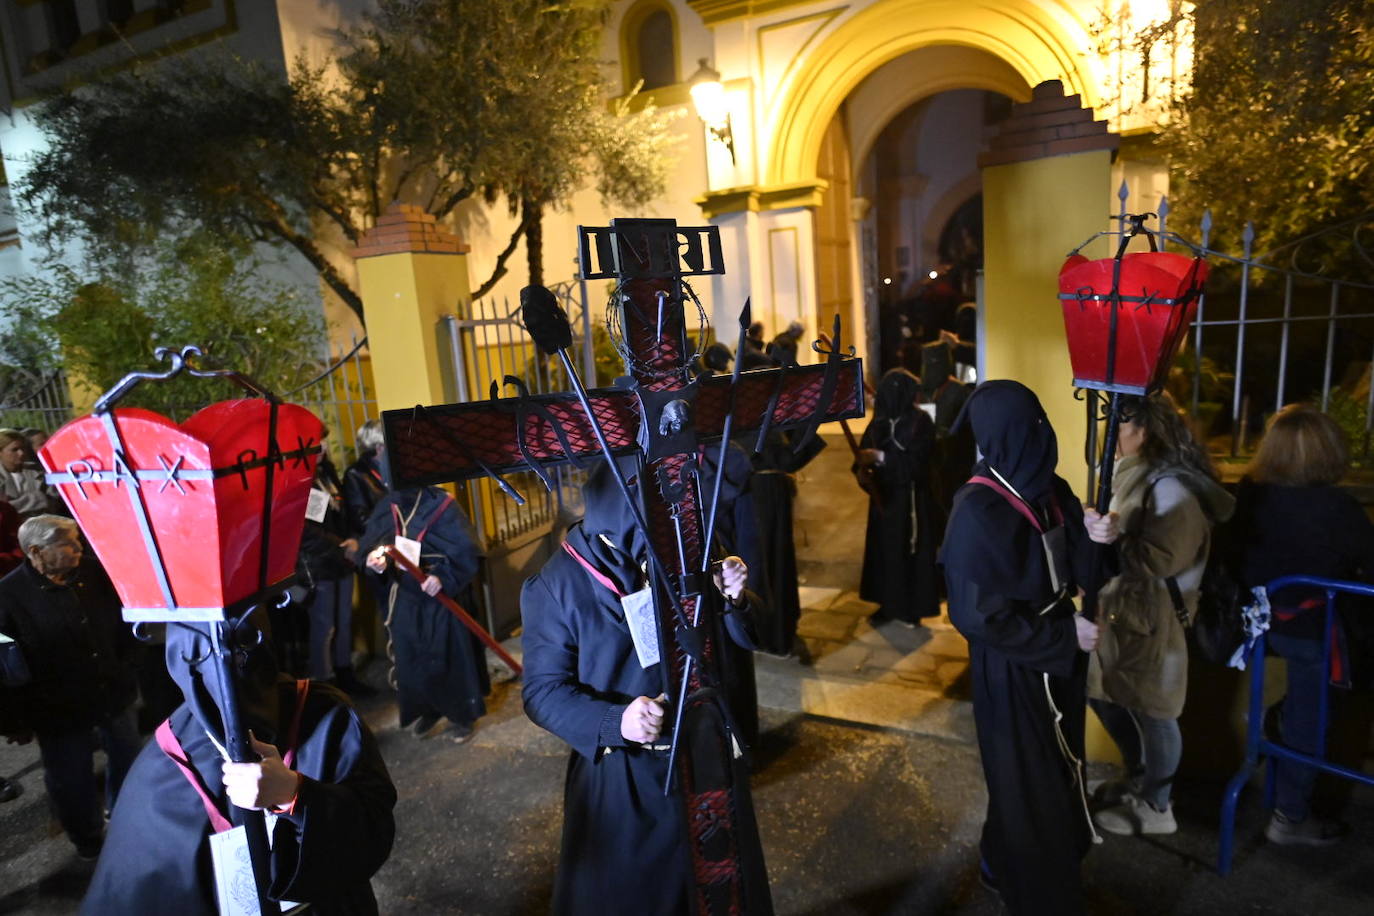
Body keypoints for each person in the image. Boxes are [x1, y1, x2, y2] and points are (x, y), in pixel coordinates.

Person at [520, 463, 767, 915]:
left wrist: (734, 599)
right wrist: (618, 721)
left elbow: (752, 636)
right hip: (625, 778)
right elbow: (541, 693)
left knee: (720, 894)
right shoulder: (556, 586)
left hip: (706, 757)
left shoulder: (687, 550)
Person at [82, 608, 397, 913]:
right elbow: (131, 890)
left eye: (244, 646)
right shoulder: (165, 760)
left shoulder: (324, 714)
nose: (229, 669)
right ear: (181, 661)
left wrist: (295, 794)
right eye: (202, 657)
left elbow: (374, 827)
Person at [940, 380, 1118, 916]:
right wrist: (1066, 636)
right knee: (1030, 786)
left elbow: (1081, 570)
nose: (1044, 434)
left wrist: (1097, 537)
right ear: (1009, 433)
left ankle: (998, 862)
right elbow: (976, 617)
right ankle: (1040, 898)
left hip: (1056, 657)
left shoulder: (1047, 487)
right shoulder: (977, 511)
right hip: (1013, 667)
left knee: (1051, 772)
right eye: (1033, 425)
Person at [1087, 393, 1234, 836]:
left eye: (1117, 425)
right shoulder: (1134, 476)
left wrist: (1108, 538)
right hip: (1123, 611)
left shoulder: (1170, 487)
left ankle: (1157, 807)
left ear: (1143, 432)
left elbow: (1161, 562)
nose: (1107, 435)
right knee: (1103, 693)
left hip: (1153, 618)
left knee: (1156, 712)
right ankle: (1140, 778)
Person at [1229, 403, 1373, 846]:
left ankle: (1277, 730)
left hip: (1256, 625)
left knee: (1302, 708)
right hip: (1313, 631)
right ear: (1330, 452)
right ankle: (1289, 817)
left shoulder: (1251, 495)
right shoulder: (1337, 507)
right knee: (1313, 715)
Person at [0, 515, 142, 859]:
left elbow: (121, 623)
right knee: (70, 776)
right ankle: (87, 837)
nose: (79, 549)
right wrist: (14, 720)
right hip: (57, 708)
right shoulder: (7, 597)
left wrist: (126, 664)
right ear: (36, 552)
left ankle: (123, 814)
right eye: (67, 544)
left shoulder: (92, 573)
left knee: (127, 754)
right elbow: (5, 668)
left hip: (110, 690)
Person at [358, 474, 489, 740]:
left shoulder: (442, 504)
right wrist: (374, 560)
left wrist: (444, 577)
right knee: (413, 657)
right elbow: (371, 546)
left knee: (449, 655)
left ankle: (462, 715)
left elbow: (466, 551)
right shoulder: (389, 505)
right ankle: (428, 708)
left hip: (440, 596)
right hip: (406, 595)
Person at [856, 369, 940, 625]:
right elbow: (860, 460)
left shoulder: (921, 421)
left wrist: (882, 458)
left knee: (909, 553)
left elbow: (920, 463)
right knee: (884, 553)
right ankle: (886, 604)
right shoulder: (878, 422)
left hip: (911, 501)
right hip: (884, 500)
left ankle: (911, 608)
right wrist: (865, 469)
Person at [750, 428, 826, 657]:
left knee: (770, 564)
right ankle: (771, 634)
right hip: (762, 496)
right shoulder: (755, 421)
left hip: (765, 493)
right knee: (767, 565)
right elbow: (786, 458)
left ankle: (773, 632)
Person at [300, 447, 368, 694]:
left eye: (324, 443)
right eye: (316, 445)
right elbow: (304, 531)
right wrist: (341, 547)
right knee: (324, 626)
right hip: (321, 564)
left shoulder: (325, 473)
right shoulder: (297, 480)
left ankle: (345, 675)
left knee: (343, 620)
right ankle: (325, 685)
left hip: (343, 559)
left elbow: (343, 511)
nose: (324, 449)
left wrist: (353, 540)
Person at [0, 428, 61, 517]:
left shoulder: (38, 470)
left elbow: (54, 501)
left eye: (22, 448)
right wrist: (40, 498)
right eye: (14, 449)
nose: (21, 453)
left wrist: (15, 504)